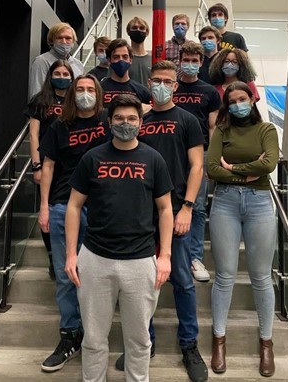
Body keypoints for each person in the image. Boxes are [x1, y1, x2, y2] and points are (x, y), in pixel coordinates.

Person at [65, 94, 174, 382]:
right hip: (96, 260)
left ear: (141, 122)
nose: (125, 123)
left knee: (139, 341)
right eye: (119, 118)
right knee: (93, 338)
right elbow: (74, 206)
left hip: (140, 262)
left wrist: (165, 256)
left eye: (131, 119)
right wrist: (71, 255)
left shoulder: (154, 159)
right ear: (109, 122)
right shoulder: (92, 158)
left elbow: (165, 210)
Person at [116, 60, 208, 382]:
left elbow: (197, 167)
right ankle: (146, 342)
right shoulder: (140, 120)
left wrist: (187, 208)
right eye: (156, 80)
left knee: (182, 281)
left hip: (176, 212)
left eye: (167, 81)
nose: (161, 85)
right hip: (142, 215)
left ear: (176, 86)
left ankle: (189, 346)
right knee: (141, 283)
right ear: (149, 82)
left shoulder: (187, 120)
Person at [38, 74, 110, 373]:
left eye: (89, 89)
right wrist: (43, 206)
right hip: (61, 204)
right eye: (79, 89)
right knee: (66, 275)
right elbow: (49, 165)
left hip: (101, 208)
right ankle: (70, 335)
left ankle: (94, 335)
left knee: (96, 275)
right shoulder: (59, 126)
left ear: (99, 93)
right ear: (71, 94)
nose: (84, 94)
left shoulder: (109, 121)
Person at [206, 81, 278, 377]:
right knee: (224, 276)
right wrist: (246, 173)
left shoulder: (267, 130)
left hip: (260, 203)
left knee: (261, 276)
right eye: (232, 101)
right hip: (224, 203)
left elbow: (270, 164)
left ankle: (266, 343)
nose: (237, 104)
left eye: (242, 99)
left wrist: (233, 170)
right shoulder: (222, 131)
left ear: (252, 99)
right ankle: (219, 341)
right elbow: (212, 167)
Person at [173, 42, 221, 282]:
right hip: (171, 150)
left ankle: (194, 258)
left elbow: (212, 126)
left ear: (201, 63)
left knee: (198, 206)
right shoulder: (171, 87)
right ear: (179, 61)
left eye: (195, 61)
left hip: (199, 152)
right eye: (186, 60)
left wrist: (211, 158)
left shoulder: (210, 92)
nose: (190, 64)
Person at [25, 59, 74, 279]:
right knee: (47, 211)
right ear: (50, 75)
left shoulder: (76, 100)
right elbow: (33, 134)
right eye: (58, 73)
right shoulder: (40, 101)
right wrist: (36, 164)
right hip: (46, 162)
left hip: (70, 164)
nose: (62, 77)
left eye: (66, 74)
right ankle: (53, 254)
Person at [29, 22, 84, 98]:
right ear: (52, 40)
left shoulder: (78, 65)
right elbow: (36, 93)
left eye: (68, 38)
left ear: (73, 41)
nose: (64, 42)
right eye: (59, 38)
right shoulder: (41, 61)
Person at [101, 38, 151, 106]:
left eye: (125, 57)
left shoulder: (142, 92)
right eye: (116, 57)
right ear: (109, 60)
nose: (121, 60)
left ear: (130, 60)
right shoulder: (99, 89)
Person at [127, 16, 152, 87]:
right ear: (128, 32)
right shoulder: (123, 59)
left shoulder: (153, 60)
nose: (138, 30)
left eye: (142, 28)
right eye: (134, 28)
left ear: (147, 32)